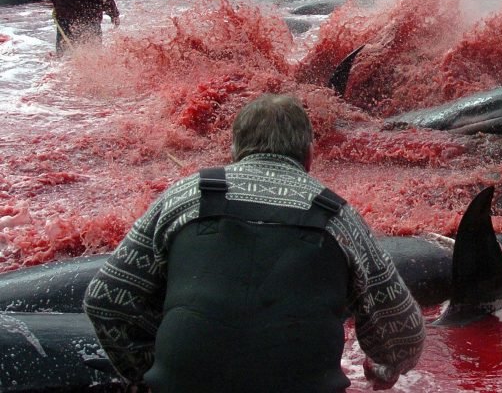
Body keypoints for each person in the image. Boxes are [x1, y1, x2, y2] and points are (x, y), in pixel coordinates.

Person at [83, 94, 425, 392]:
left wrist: (145, 370)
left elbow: (105, 301)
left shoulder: (185, 197)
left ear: (235, 151)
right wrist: (384, 368)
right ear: (309, 155)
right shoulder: (337, 216)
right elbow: (405, 333)